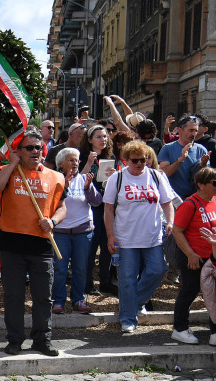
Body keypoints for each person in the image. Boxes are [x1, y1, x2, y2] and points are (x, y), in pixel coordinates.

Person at [0, 128, 65, 356]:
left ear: (44, 150)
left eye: (38, 148)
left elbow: (62, 206)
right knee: (13, 296)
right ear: (19, 151)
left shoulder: (55, 177)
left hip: (42, 245)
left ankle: (42, 340)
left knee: (43, 296)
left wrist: (54, 221)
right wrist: (12, 164)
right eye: (28, 148)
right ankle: (14, 340)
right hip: (12, 245)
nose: (34, 151)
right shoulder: (8, 171)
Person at [103, 140, 177, 333]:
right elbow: (108, 209)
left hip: (152, 236)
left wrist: (170, 222)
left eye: (143, 160)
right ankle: (128, 318)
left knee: (158, 270)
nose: (139, 164)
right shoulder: (117, 179)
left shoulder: (156, 176)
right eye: (135, 161)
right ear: (126, 160)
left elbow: (167, 203)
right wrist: (110, 235)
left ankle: (134, 302)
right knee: (127, 278)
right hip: (125, 238)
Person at [171, 166, 216, 345]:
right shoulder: (190, 204)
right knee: (190, 290)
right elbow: (177, 231)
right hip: (195, 257)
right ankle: (179, 329)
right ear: (201, 184)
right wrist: (190, 254)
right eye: (215, 182)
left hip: (215, 257)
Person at [52, 147, 100, 314]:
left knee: (80, 268)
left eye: (76, 160)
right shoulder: (55, 180)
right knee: (60, 269)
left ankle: (78, 300)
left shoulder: (84, 179)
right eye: (70, 160)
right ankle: (58, 301)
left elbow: (97, 202)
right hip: (61, 232)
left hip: (83, 231)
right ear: (60, 163)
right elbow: (50, 204)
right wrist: (64, 185)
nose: (75, 163)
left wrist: (88, 187)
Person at [79, 124, 118, 296]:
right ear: (89, 140)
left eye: (105, 136)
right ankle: (87, 283)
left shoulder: (111, 156)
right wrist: (88, 162)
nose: (103, 139)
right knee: (91, 245)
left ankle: (105, 281)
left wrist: (115, 174)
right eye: (98, 137)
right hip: (89, 205)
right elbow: (78, 180)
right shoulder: (82, 156)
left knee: (107, 243)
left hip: (107, 204)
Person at [159, 115, 210, 201]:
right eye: (190, 130)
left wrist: (204, 165)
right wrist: (180, 159)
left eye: (196, 131)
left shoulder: (202, 149)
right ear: (180, 130)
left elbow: (207, 178)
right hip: (175, 199)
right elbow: (164, 174)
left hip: (197, 198)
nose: (194, 134)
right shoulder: (167, 149)